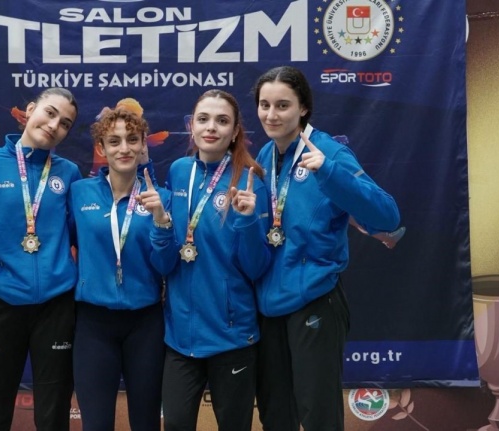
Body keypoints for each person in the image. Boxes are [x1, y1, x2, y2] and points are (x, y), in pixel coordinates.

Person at [252, 65, 400, 431]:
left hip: (314, 301)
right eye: (264, 105)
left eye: (282, 105)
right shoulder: (265, 156)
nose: (271, 115)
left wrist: (329, 172)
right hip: (268, 307)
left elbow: (387, 216)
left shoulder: (328, 152)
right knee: (275, 415)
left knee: (319, 417)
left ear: (303, 108)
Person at [0, 87, 80, 431]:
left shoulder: (68, 174)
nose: (54, 125)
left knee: (53, 416)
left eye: (65, 123)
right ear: (30, 109)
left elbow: (81, 235)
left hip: (56, 307)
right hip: (0, 303)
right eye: (50, 113)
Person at [145, 89, 271, 431]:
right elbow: (165, 263)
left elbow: (257, 268)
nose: (211, 127)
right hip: (180, 338)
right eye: (203, 119)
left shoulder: (249, 180)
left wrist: (247, 221)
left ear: (235, 131)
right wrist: (161, 224)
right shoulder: (179, 171)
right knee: (175, 423)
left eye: (222, 120)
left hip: (232, 336)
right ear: (192, 126)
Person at [70, 107, 170, 431]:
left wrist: (160, 221)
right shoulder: (79, 193)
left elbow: (167, 265)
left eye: (132, 139)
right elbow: (51, 240)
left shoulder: (161, 198)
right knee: (96, 425)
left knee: (146, 423)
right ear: (101, 148)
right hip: (93, 325)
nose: (124, 148)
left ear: (143, 145)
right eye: (114, 141)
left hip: (146, 324)